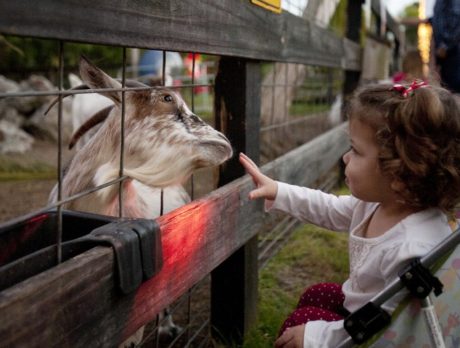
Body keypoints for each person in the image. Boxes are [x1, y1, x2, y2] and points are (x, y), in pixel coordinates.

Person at [239, 80, 460, 347]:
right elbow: (329, 208)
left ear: (399, 173)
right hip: (362, 314)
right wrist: (278, 191)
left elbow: (386, 325)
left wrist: (314, 337)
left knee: (302, 322)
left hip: (376, 334)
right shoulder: (379, 203)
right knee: (318, 294)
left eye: (355, 150)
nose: (345, 158)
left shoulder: (412, 249)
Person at [430, 0, 460, 93]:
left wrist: (445, 46)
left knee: (453, 90)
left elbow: (457, 20)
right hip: (444, 52)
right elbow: (438, 19)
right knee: (446, 89)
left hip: (451, 51)